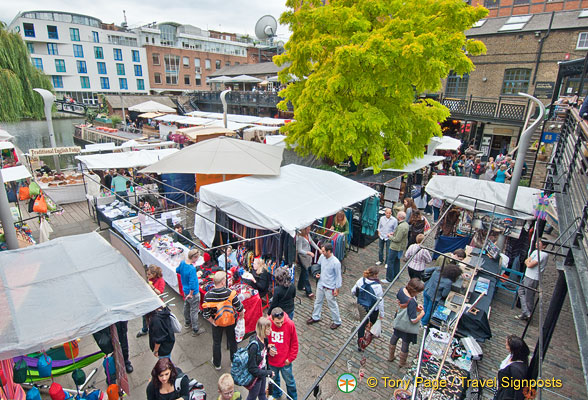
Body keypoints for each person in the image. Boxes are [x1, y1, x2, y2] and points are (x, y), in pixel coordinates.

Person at [203, 271, 244, 370]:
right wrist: (241, 318)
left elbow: (206, 314)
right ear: (222, 282)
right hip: (230, 321)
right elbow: (240, 308)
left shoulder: (208, 295)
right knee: (232, 341)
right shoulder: (230, 293)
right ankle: (233, 361)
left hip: (217, 322)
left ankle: (217, 364)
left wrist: (213, 322)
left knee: (217, 342)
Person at [389, 278, 425, 367]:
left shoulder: (402, 290)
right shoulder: (412, 301)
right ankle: (402, 363)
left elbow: (400, 302)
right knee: (405, 343)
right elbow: (413, 320)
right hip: (406, 326)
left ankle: (390, 356)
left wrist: (416, 306)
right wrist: (422, 314)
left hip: (399, 321)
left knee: (395, 336)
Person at [306, 243, 343, 329]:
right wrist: (317, 274)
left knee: (332, 305)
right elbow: (318, 267)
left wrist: (337, 289)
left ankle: (337, 321)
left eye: (323, 251)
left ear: (329, 251)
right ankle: (315, 316)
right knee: (318, 301)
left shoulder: (336, 262)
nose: (322, 253)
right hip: (321, 284)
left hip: (330, 287)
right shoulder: (322, 257)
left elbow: (338, 276)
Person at [268, 308, 299, 400]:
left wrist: (290, 358)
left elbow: (294, 343)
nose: (280, 325)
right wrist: (268, 347)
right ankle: (276, 394)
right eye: (277, 323)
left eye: (281, 322)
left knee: (290, 382)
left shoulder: (290, 324)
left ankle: (292, 398)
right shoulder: (267, 324)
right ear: (272, 319)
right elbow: (262, 340)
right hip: (272, 361)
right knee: (274, 381)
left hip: (285, 362)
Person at [351, 266, 384, 351]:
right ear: (376, 275)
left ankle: (360, 342)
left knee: (362, 324)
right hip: (373, 309)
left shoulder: (361, 280)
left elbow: (353, 291)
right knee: (371, 324)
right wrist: (382, 314)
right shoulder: (378, 286)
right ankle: (367, 337)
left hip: (362, 306)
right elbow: (380, 301)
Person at [516, 240, 548, 321]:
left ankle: (527, 314)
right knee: (520, 291)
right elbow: (526, 261)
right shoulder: (535, 252)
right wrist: (528, 262)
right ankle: (526, 312)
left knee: (528, 297)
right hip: (527, 275)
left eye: (539, 243)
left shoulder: (543, 254)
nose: (536, 244)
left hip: (533, 277)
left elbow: (529, 264)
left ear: (544, 246)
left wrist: (528, 262)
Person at [176, 249, 205, 336]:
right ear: (194, 257)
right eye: (198, 257)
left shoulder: (182, 263)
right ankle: (195, 329)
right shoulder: (192, 269)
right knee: (194, 310)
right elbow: (192, 283)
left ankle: (187, 323)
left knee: (187, 306)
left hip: (185, 290)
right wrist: (191, 293)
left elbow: (177, 270)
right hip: (193, 293)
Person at [246, 317, 275, 400]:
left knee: (262, 393)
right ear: (262, 330)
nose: (271, 330)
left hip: (261, 372)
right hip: (255, 377)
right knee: (252, 396)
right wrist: (267, 372)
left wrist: (267, 370)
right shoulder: (254, 347)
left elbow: (265, 356)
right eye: (268, 329)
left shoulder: (265, 339)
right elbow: (252, 369)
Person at [494, 335, 530, 400]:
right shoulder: (512, 355)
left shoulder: (516, 370)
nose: (505, 345)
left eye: (507, 344)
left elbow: (517, 391)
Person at [138, 265, 166, 338]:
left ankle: (154, 331)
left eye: (149, 274)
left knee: (154, 318)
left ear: (154, 274)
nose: (147, 276)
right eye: (147, 274)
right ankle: (145, 329)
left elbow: (160, 292)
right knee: (145, 315)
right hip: (147, 300)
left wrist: (152, 287)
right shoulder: (148, 278)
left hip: (155, 303)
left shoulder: (161, 281)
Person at [296, 226, 321, 298]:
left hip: (307, 257)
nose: (309, 231)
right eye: (308, 229)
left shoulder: (308, 235)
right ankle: (308, 291)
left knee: (304, 272)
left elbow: (311, 242)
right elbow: (299, 250)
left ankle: (300, 286)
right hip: (302, 257)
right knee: (306, 273)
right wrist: (308, 253)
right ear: (304, 229)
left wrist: (318, 249)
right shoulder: (300, 238)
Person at [386, 211, 409, 283]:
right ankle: (396, 275)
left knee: (390, 262)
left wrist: (390, 236)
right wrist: (395, 233)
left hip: (395, 247)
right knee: (396, 261)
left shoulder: (401, 226)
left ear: (399, 216)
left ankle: (389, 278)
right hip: (400, 247)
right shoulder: (405, 224)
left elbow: (397, 239)